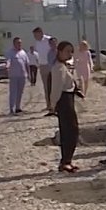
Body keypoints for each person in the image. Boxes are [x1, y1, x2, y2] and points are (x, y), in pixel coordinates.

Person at [51, 41, 83, 173]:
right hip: (64, 100)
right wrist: (53, 105)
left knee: (71, 130)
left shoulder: (64, 66)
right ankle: (65, 161)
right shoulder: (58, 68)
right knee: (69, 131)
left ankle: (67, 160)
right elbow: (56, 89)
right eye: (67, 51)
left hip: (68, 98)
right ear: (59, 51)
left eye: (71, 51)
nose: (69, 54)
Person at [32, 27, 55, 116]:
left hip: (50, 65)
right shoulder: (37, 43)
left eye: (36, 35)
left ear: (41, 33)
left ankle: (54, 104)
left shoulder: (48, 40)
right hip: (42, 65)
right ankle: (48, 104)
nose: (35, 37)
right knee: (46, 86)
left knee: (52, 85)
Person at [5, 37, 30, 114]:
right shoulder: (10, 52)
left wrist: (28, 74)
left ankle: (18, 107)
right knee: (13, 92)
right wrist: (7, 66)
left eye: (20, 43)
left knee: (20, 92)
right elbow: (8, 61)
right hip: (14, 75)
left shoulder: (23, 52)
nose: (19, 44)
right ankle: (11, 109)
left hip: (22, 75)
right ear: (14, 43)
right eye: (18, 43)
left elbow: (27, 64)